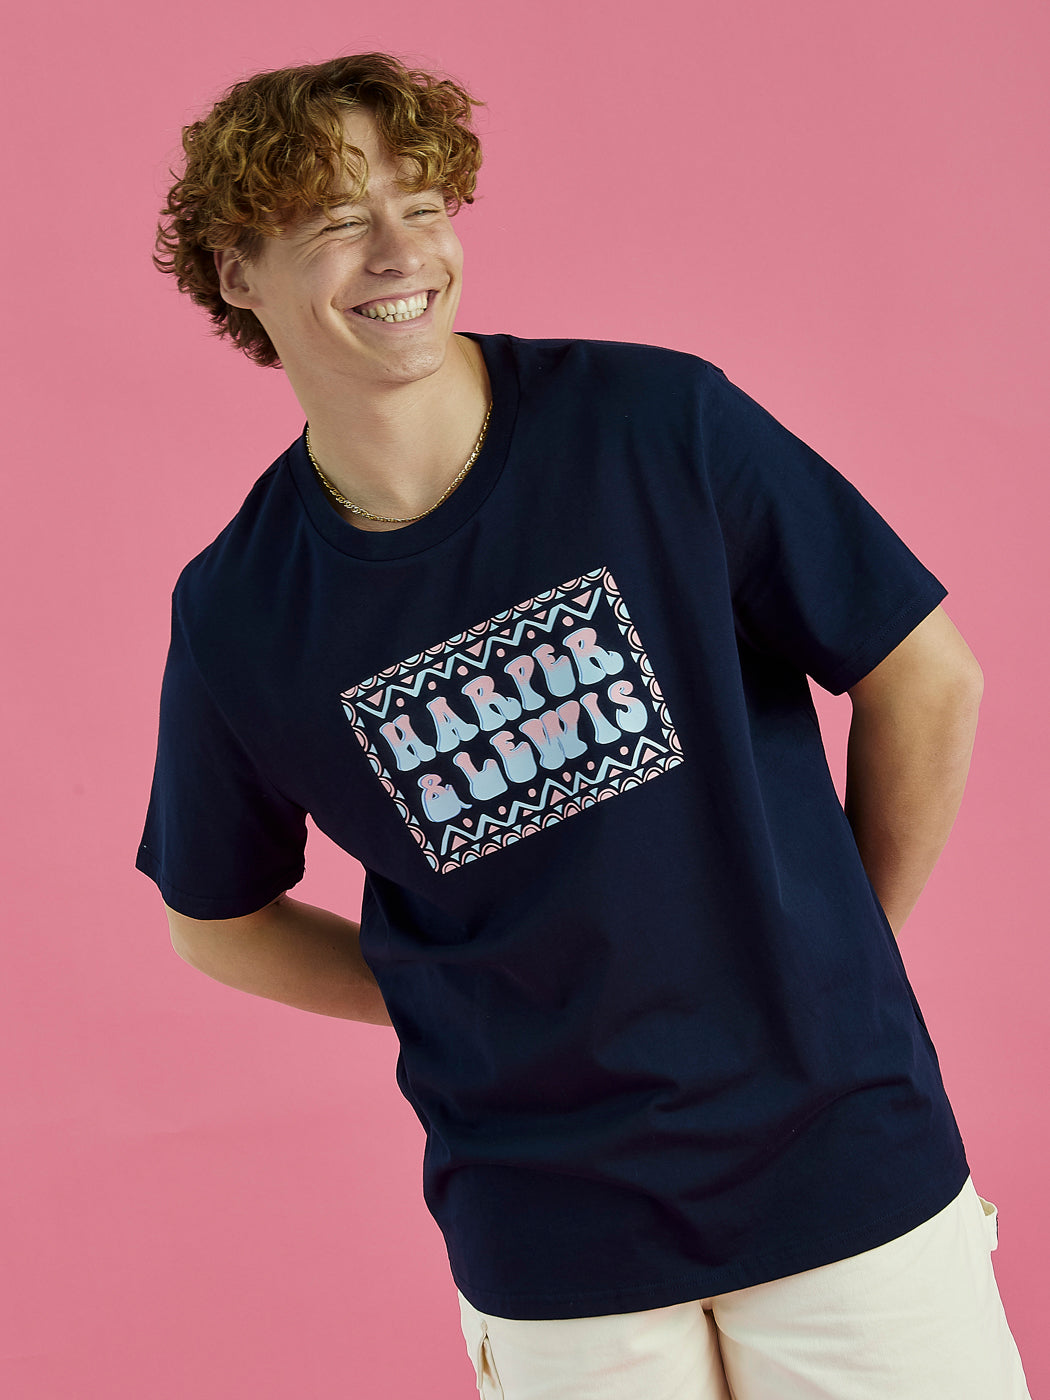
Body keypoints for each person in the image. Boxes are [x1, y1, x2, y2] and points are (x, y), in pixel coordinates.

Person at [138, 53, 1030, 1399]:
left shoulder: (655, 426)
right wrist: (458, 1003)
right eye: (336, 221)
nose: (401, 252)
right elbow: (216, 921)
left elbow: (926, 675)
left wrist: (837, 951)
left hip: (842, 1163)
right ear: (235, 272)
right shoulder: (241, 610)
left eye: (424, 206)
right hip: (550, 1234)